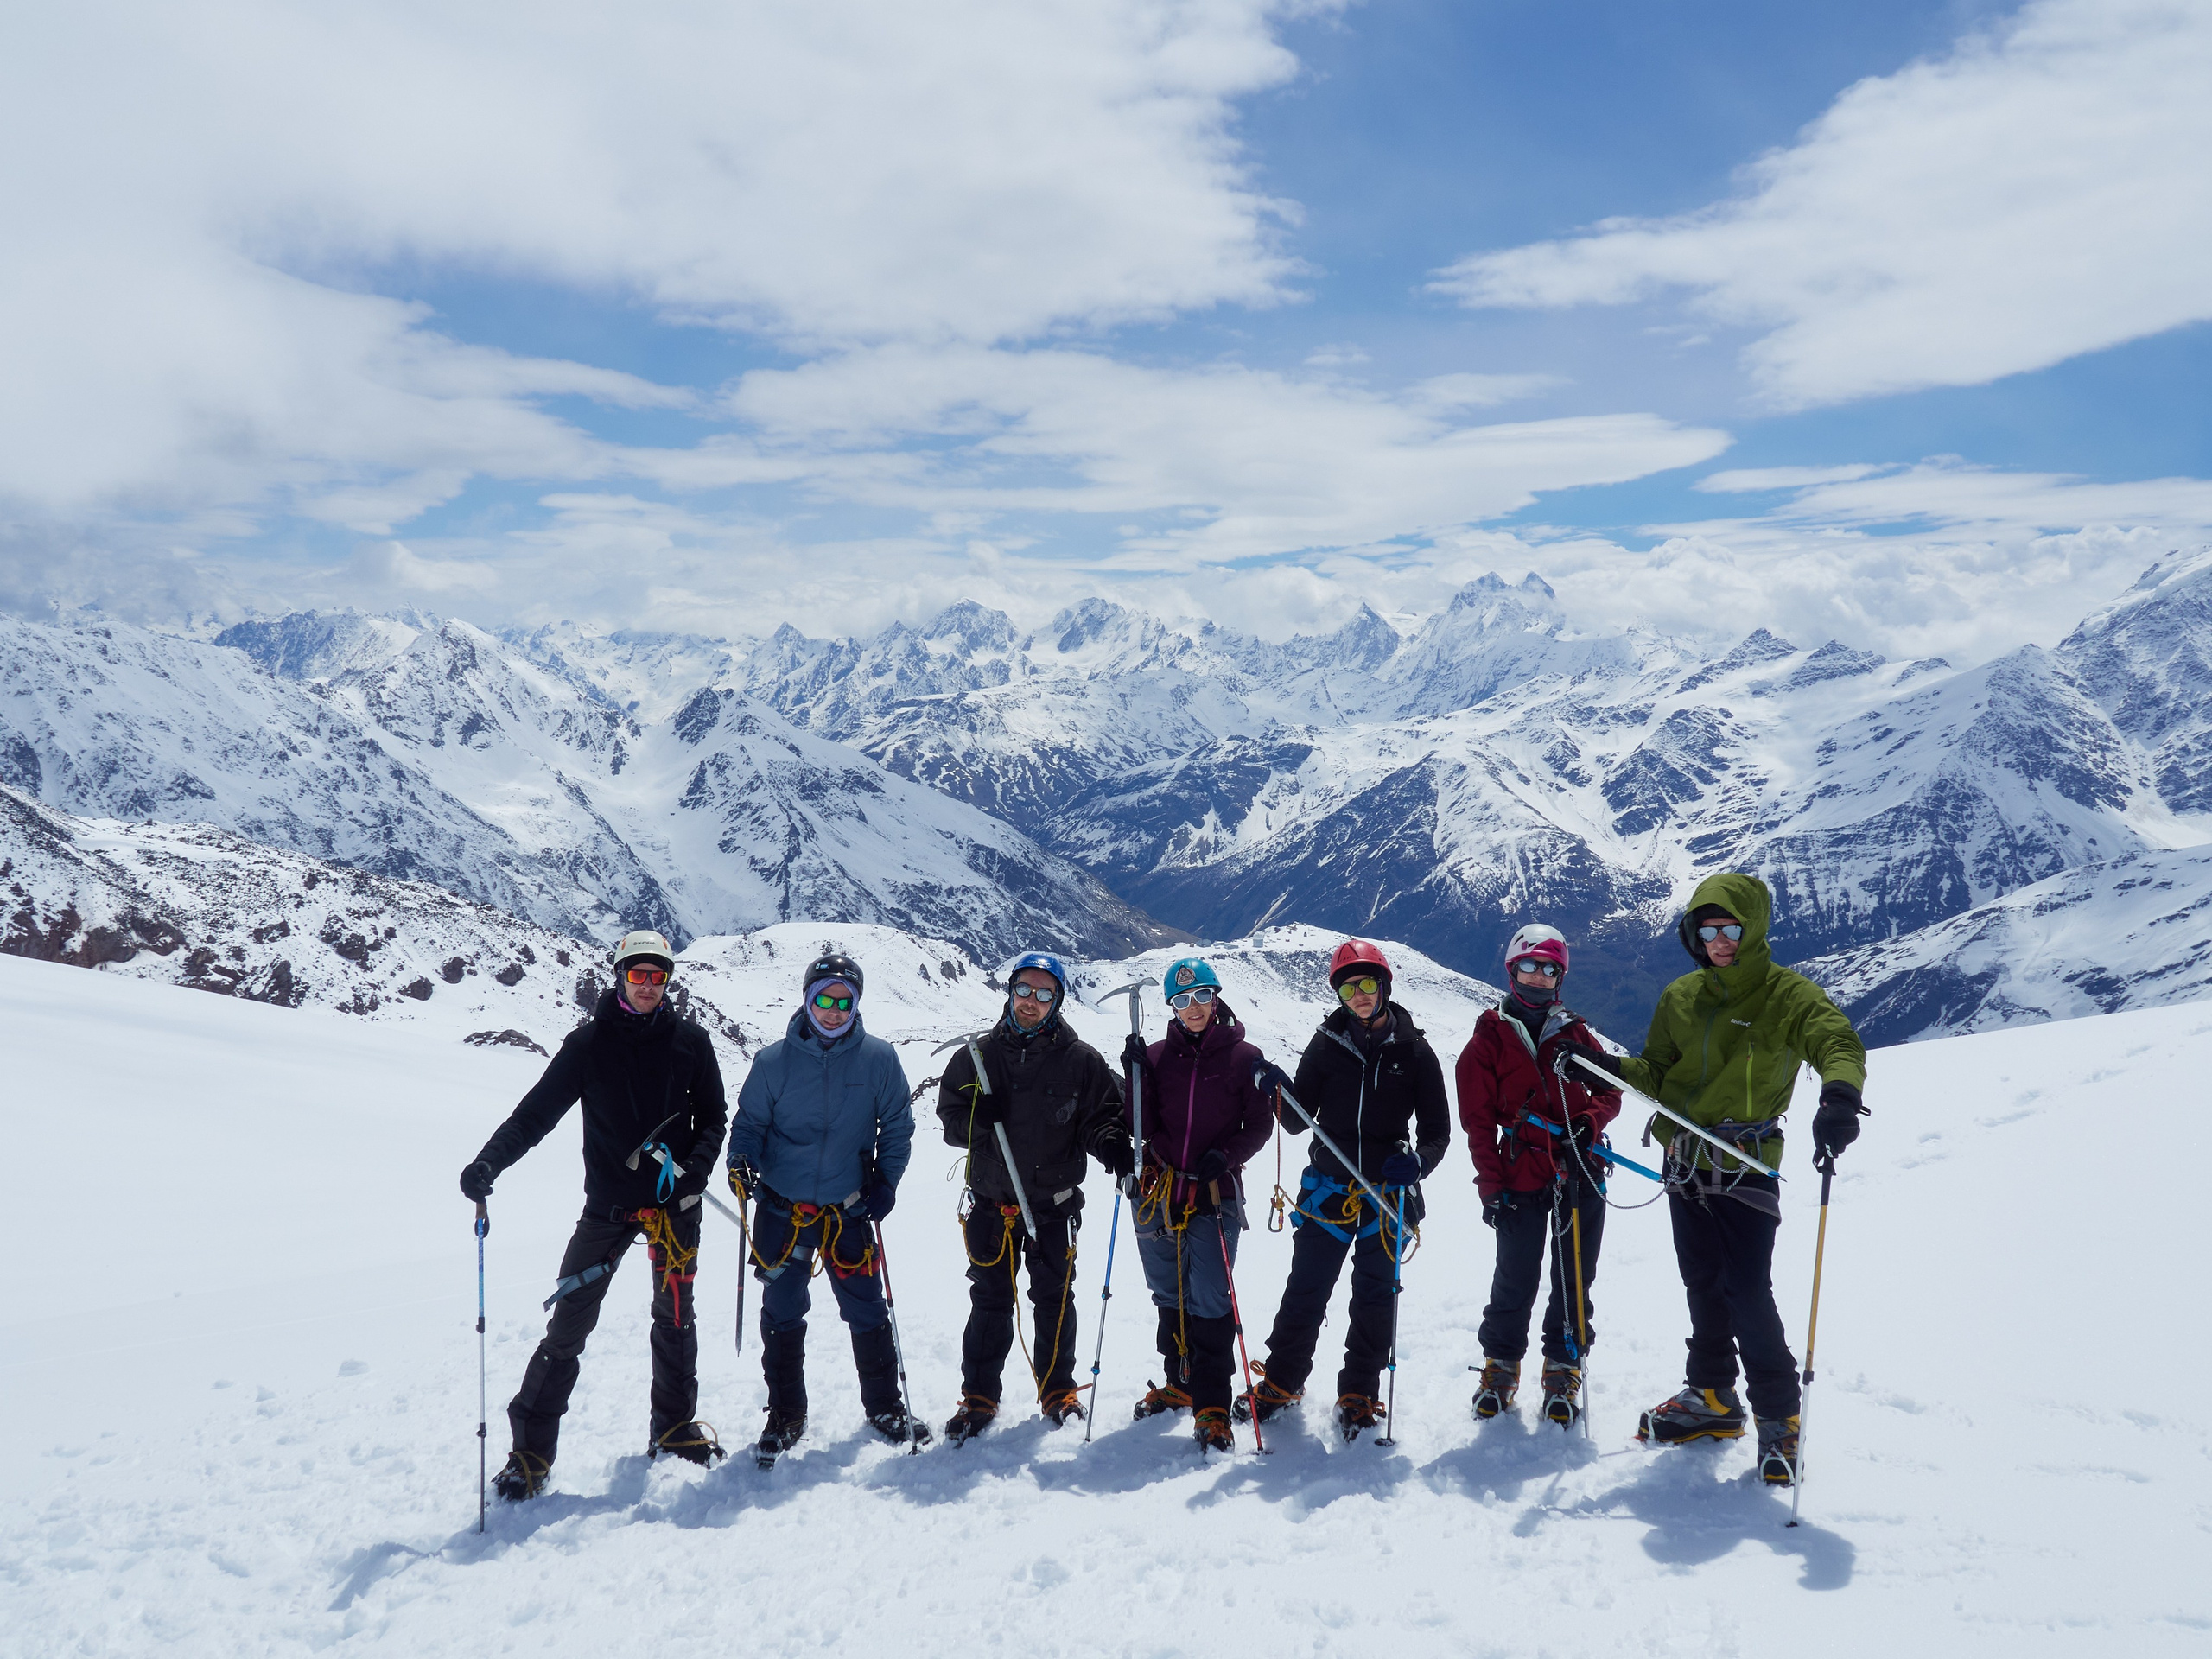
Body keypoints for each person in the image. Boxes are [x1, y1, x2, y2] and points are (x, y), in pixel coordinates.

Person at [1574, 873, 1868, 1485]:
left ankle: (1779, 1419)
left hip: (1745, 1163)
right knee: (1703, 1281)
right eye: (1706, 930)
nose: (1719, 940)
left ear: (1752, 927)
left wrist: (1839, 1095)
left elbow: (1835, 1040)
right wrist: (1607, 1070)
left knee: (1746, 1289)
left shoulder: (1787, 996)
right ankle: (1711, 1397)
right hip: (1684, 1162)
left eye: (1730, 927)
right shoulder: (1682, 996)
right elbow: (1657, 1070)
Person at [457, 929, 728, 1499]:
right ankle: (529, 1457)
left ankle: (675, 1430)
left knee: (675, 1318)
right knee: (568, 1329)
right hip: (608, 1206)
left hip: (674, 1206)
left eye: (658, 976)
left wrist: (693, 1176)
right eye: (639, 974)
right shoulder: (587, 1047)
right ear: (621, 977)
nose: (649, 985)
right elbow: (535, 1115)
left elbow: (712, 1117)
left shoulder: (691, 1044)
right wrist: (489, 1163)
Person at [1243, 939, 1450, 1440]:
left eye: (1367, 985)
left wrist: (1417, 1163)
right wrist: (1280, 1091)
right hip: (1330, 1186)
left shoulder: (1415, 1050)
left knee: (1375, 1294)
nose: (1358, 995)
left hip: (1385, 1193)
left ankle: (1360, 1390)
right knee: (1306, 1288)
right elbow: (1297, 1122)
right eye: (1348, 987)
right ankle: (1283, 1381)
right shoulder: (1326, 1045)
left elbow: (1438, 1131)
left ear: (1384, 987)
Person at [725, 951, 925, 1462]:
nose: (833, 1010)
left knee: (866, 1307)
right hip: (782, 1210)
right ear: (807, 1000)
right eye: (824, 999)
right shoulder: (772, 1062)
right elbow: (747, 1125)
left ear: (857, 1005)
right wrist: (741, 1162)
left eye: (844, 1001)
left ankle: (884, 1405)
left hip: (848, 1209)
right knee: (783, 1310)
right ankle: (786, 1412)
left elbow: (897, 1127)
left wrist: (888, 1181)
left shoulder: (879, 1060)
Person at [934, 951, 1130, 1444]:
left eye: (1044, 994)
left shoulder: (1081, 1061)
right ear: (1010, 991)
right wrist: (980, 1115)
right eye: (1024, 990)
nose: (1031, 1001)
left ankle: (1058, 1391)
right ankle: (979, 1396)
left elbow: (1101, 1119)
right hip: (991, 1204)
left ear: (1057, 1000)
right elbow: (951, 1122)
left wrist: (1111, 1146)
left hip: (1052, 1202)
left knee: (1054, 1298)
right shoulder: (976, 1057)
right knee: (991, 1299)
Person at [1453, 924, 1621, 1427]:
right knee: (1515, 1275)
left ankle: (1564, 1366)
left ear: (1560, 978)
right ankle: (1501, 1367)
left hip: (1578, 1167)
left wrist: (1590, 1124)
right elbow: (1478, 1122)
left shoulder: (1576, 1034)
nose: (1539, 977)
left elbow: (1609, 1090)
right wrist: (1490, 1186)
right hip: (1521, 1167)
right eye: (1530, 965)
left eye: (1550, 969)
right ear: (1511, 970)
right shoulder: (1487, 1040)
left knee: (1574, 1276)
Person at [1122, 957, 1273, 1452]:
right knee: (1169, 1292)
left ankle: (1211, 1404)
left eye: (1201, 996)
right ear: (1172, 1006)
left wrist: (1226, 1157)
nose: (1193, 1008)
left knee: (1208, 1297)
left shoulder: (1242, 1057)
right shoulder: (1160, 1057)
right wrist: (1135, 1077)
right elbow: (1138, 1123)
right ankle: (1180, 1382)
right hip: (1161, 1190)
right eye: (1182, 1000)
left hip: (1213, 1192)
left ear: (1216, 998)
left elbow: (1260, 1125)